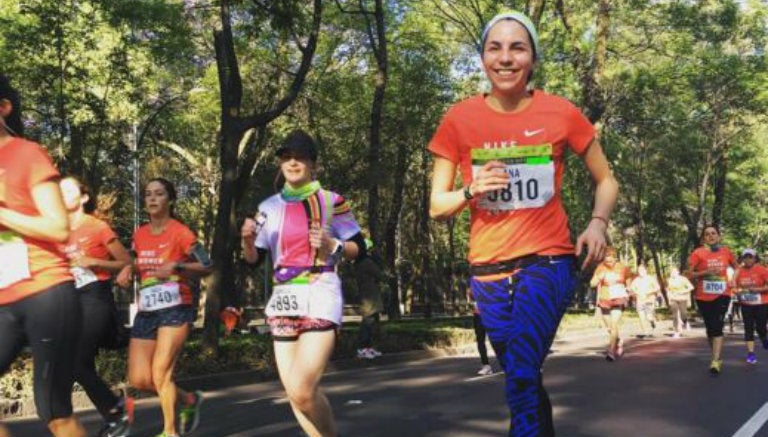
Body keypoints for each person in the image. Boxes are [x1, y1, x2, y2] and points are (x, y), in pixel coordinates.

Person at [427, 10, 618, 437]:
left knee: (520, 374)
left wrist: (597, 224)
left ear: (532, 58)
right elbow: (437, 206)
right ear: (482, 57)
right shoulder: (458, 118)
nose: (506, 58)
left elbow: (606, 180)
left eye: (518, 48)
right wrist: (470, 190)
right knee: (523, 375)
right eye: (495, 48)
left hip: (547, 262)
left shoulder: (560, 112)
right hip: (487, 271)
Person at [241, 130, 365, 437]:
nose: (293, 162)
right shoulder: (268, 207)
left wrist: (333, 245)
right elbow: (254, 260)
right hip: (283, 297)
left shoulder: (332, 201)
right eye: (286, 157)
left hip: (320, 292)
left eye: (300, 157)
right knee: (295, 395)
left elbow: (361, 249)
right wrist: (247, 241)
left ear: (313, 164)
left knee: (303, 389)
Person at [0, 74, 86, 437]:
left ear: (4, 107)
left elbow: (58, 228)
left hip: (46, 292)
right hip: (4, 298)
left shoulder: (26, 153)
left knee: (53, 409)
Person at [116, 177, 212, 437]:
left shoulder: (181, 233)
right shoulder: (140, 234)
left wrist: (177, 266)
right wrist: (128, 268)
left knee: (161, 372)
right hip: (147, 308)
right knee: (139, 379)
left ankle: (170, 431)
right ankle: (188, 399)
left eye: (159, 193)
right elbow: (137, 260)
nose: (152, 198)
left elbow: (207, 265)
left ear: (170, 200)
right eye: (148, 194)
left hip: (176, 307)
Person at [58, 176, 133, 437]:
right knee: (80, 365)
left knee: (76, 362)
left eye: (68, 190)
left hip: (95, 296)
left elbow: (126, 262)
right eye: (59, 191)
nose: (63, 195)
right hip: (69, 299)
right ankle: (114, 417)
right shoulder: (56, 229)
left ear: (84, 197)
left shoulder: (97, 227)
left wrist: (94, 262)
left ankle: (116, 409)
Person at [685, 224, 737, 375]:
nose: (711, 236)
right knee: (710, 329)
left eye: (713, 233)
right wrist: (705, 272)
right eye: (707, 234)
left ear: (719, 236)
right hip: (703, 296)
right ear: (703, 238)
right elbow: (688, 273)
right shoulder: (698, 253)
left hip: (723, 294)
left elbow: (737, 267)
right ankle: (716, 356)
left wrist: (733, 279)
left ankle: (715, 360)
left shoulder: (726, 251)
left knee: (717, 326)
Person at [590, 248, 631, 360]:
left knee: (614, 325)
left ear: (615, 258)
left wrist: (628, 289)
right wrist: (599, 277)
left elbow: (628, 280)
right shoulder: (600, 267)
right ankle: (618, 340)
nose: (609, 263)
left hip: (619, 298)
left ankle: (611, 351)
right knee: (609, 328)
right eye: (606, 261)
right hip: (605, 299)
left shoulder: (622, 267)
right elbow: (592, 283)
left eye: (611, 260)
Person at [733, 248, 768, 364]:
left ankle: (764, 338)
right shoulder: (739, 271)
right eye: (746, 257)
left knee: (761, 327)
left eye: (750, 257)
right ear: (742, 259)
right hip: (746, 304)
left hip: (761, 303)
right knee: (748, 328)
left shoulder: (762, 269)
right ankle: (751, 353)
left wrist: (757, 289)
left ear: (755, 258)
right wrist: (737, 291)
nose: (748, 260)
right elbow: (733, 286)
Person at [355, 236, 386, 359]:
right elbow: (380, 275)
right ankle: (363, 348)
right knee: (368, 321)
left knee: (372, 322)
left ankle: (369, 348)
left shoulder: (358, 263)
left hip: (366, 294)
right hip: (370, 296)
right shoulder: (367, 263)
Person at [628, 264, 660, 338]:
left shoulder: (651, 278)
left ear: (645, 271)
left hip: (649, 300)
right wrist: (633, 292)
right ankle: (645, 332)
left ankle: (652, 322)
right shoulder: (636, 280)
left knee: (649, 317)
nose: (640, 272)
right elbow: (632, 289)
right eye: (639, 270)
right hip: (639, 300)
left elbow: (657, 287)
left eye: (642, 270)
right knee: (641, 317)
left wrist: (650, 292)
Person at [468, 288, 493, 375]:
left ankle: (509, 364)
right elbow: (471, 296)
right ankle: (486, 365)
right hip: (478, 314)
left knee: (497, 339)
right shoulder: (474, 283)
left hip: (491, 313)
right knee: (480, 340)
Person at [666, 266, 694, 338]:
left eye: (674, 272)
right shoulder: (669, 280)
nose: (673, 273)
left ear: (678, 272)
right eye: (672, 272)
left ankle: (685, 321)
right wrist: (669, 299)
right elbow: (668, 290)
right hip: (673, 299)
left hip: (682, 298)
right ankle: (676, 332)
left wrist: (682, 291)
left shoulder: (683, 279)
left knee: (683, 314)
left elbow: (691, 287)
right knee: (675, 316)